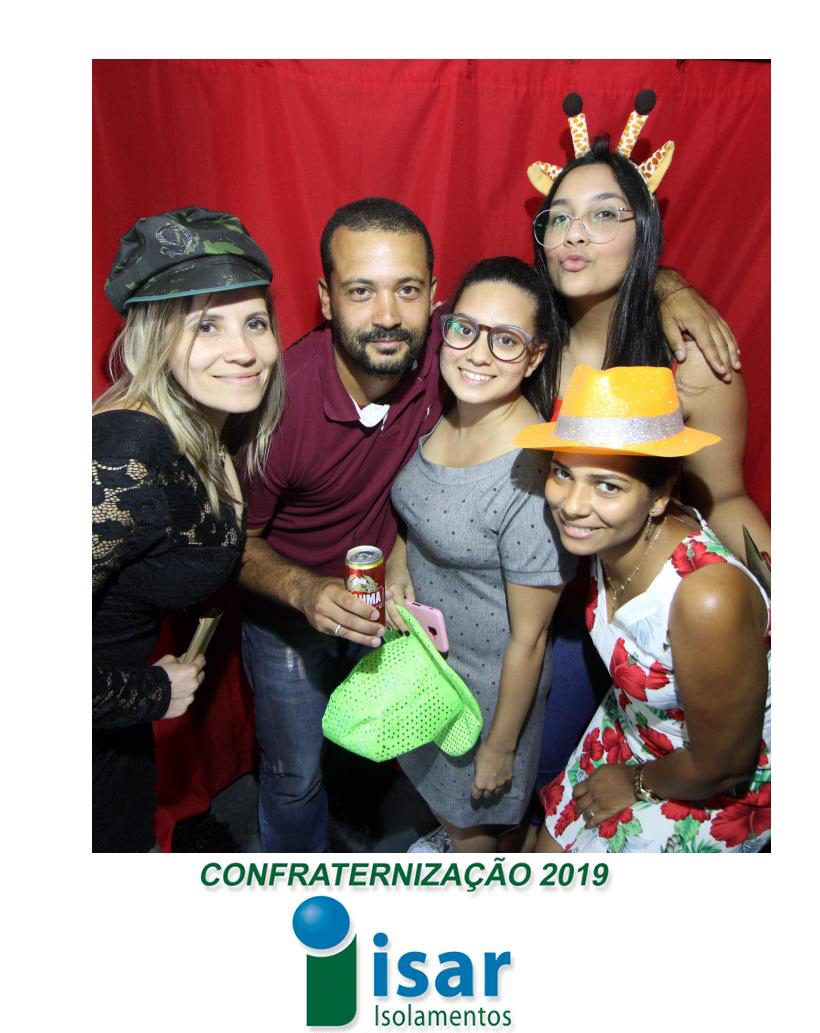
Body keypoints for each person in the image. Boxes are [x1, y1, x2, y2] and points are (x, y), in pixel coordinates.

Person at [239, 196, 742, 854]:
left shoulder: (480, 397)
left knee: (458, 811)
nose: (387, 314)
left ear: (432, 300)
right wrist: (361, 570)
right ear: (327, 298)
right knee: (303, 769)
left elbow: (529, 640)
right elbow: (239, 541)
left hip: (469, 671)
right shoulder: (299, 401)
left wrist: (667, 284)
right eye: (361, 290)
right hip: (312, 611)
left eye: (407, 291)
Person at [526, 126, 771, 839]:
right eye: (559, 217)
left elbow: (727, 497)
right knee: (529, 783)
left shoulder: (685, 360)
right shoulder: (528, 340)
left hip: (650, 614)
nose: (576, 233)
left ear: (645, 233)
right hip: (558, 594)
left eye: (606, 214)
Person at [514, 364, 770, 853]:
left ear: (659, 497)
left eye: (607, 485)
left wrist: (634, 781)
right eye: (563, 473)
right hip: (631, 723)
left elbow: (727, 765)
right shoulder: (609, 535)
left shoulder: (706, 598)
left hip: (707, 775)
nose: (572, 505)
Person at [93, 207, 284, 852]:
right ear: (155, 338)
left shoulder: (205, 425)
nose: (245, 350)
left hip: (115, 740)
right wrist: (150, 690)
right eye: (206, 325)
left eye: (255, 322)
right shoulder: (124, 454)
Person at [388, 258, 575, 852]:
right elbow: (420, 510)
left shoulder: (531, 473)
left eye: (507, 340)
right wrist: (398, 558)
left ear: (535, 356)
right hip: (430, 671)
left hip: (486, 693)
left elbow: (530, 640)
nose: (477, 353)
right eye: (465, 329)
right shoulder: (444, 409)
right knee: (440, 807)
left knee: (474, 833)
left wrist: (500, 748)